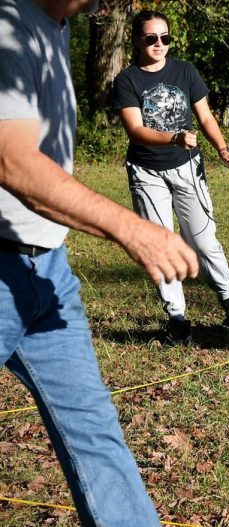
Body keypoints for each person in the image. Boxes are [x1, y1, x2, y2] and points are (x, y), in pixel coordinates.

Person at [0, 0, 200, 525]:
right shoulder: (7, 25)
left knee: (94, 431)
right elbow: (14, 162)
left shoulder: (56, 26)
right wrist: (133, 229)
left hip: (47, 273)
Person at [113, 10, 229, 345]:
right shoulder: (127, 81)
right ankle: (177, 318)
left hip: (188, 167)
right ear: (137, 41)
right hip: (147, 171)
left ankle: (228, 298)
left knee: (203, 241)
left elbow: (205, 115)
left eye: (165, 38)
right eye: (151, 38)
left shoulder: (185, 71)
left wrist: (222, 148)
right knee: (161, 245)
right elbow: (135, 130)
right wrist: (172, 137)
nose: (159, 44)